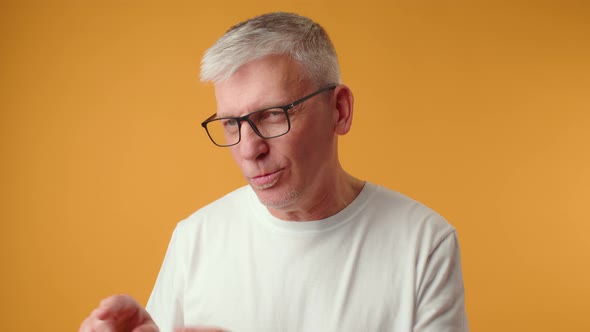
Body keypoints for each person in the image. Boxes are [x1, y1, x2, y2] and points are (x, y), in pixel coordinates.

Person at [80, 12, 469, 332]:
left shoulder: (424, 243)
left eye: (272, 115)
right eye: (231, 123)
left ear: (340, 110)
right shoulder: (194, 238)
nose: (249, 149)